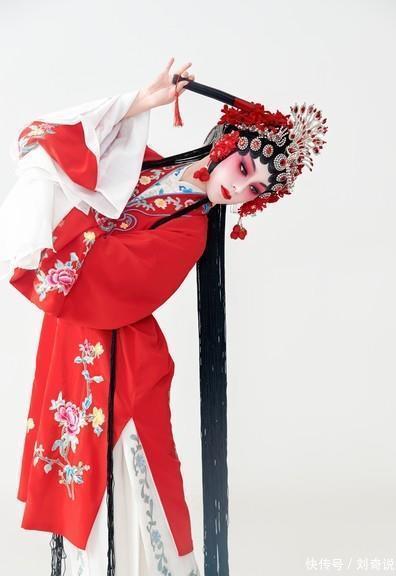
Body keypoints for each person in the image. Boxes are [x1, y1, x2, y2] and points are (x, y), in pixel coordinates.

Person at [0, 57, 328, 576]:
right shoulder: (149, 163)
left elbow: (117, 277)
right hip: (79, 333)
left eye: (254, 191)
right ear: (225, 145)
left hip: (118, 349)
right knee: (86, 465)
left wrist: (73, 210)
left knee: (130, 469)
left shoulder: (189, 233)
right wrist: (141, 102)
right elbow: (72, 140)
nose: (240, 189)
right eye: (245, 170)